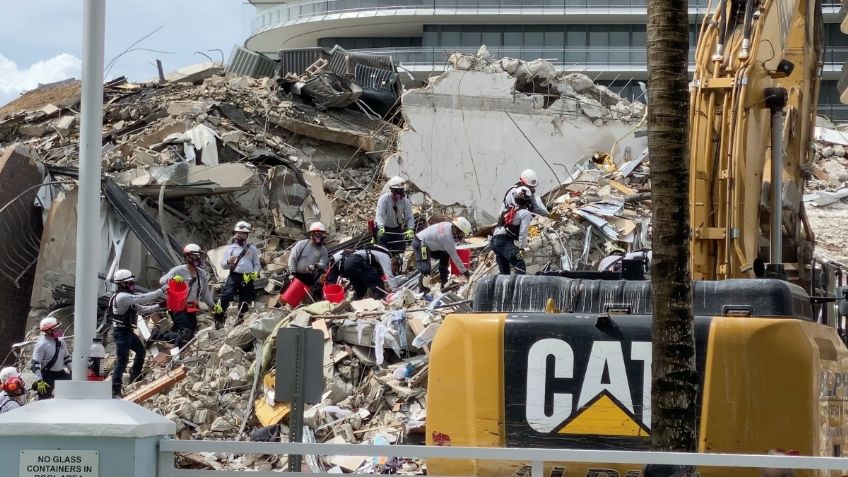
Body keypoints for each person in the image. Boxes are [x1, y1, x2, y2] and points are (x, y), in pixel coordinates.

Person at [107, 269, 166, 398]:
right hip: (121, 332)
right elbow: (143, 298)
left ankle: (135, 376)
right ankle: (114, 389)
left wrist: (159, 306)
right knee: (122, 360)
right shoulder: (123, 297)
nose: (132, 284)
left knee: (141, 351)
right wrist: (161, 291)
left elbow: (140, 308)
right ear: (122, 283)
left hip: (127, 331)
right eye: (129, 282)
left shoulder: (127, 297)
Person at [151, 244, 216, 348]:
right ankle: (177, 356)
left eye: (199, 256)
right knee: (185, 332)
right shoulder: (178, 270)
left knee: (190, 332)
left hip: (191, 306)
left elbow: (205, 293)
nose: (197, 259)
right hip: (177, 306)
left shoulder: (202, 274)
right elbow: (162, 280)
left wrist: (213, 306)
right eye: (195, 256)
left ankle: (159, 335)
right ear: (187, 257)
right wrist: (172, 278)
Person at [215, 221, 262, 329]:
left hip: (248, 277)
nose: (239, 235)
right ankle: (219, 318)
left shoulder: (252, 248)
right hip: (234, 275)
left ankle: (240, 319)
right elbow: (223, 265)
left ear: (247, 235)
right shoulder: (230, 248)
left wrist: (255, 273)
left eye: (242, 233)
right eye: (238, 233)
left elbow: (257, 264)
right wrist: (228, 262)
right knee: (227, 295)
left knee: (245, 299)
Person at [412, 217, 472, 291]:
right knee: (425, 269)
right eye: (462, 234)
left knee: (445, 254)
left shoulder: (448, 225)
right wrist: (465, 272)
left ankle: (444, 282)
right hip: (420, 243)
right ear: (457, 229)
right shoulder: (447, 237)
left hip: (431, 244)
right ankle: (423, 290)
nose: (462, 236)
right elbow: (455, 257)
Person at [326, 245, 401, 300]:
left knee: (361, 290)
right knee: (378, 284)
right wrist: (396, 291)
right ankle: (379, 304)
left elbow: (365, 276)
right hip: (354, 261)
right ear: (394, 262)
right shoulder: (386, 257)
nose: (394, 271)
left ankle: (353, 304)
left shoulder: (376, 262)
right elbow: (389, 276)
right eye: (395, 269)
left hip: (348, 264)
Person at [491, 186, 534, 275]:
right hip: (503, 241)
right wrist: (521, 248)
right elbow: (523, 232)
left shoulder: (509, 209)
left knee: (504, 272)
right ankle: (518, 288)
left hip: (494, 242)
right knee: (519, 264)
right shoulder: (526, 213)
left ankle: (503, 288)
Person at [30, 317, 71, 400]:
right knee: (45, 399)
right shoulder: (41, 344)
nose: (59, 330)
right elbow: (35, 364)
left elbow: (67, 358)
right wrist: (39, 381)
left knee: (69, 395)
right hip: (47, 376)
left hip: (61, 373)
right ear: (48, 330)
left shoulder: (61, 341)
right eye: (56, 329)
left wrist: (74, 372)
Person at [375, 176, 415, 255]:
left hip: (396, 229)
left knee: (401, 249)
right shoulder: (383, 200)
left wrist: (410, 228)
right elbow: (380, 215)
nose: (401, 194)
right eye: (400, 191)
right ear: (393, 190)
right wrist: (381, 227)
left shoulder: (404, 201)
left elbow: (410, 217)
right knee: (383, 252)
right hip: (384, 230)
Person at [286, 222, 329, 289]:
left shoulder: (323, 250)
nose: (321, 236)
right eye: (319, 234)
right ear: (312, 234)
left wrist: (316, 266)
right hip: (296, 274)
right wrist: (292, 273)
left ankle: (316, 293)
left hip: (309, 275)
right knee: (287, 292)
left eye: (322, 233)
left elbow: (323, 264)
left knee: (324, 276)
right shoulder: (301, 244)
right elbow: (292, 259)